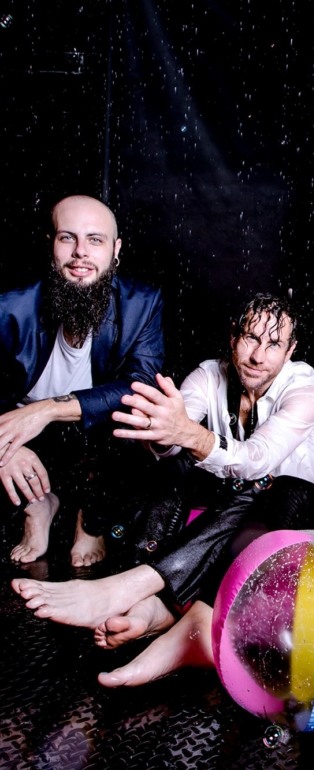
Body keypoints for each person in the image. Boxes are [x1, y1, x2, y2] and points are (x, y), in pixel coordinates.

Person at [11, 293, 314, 673]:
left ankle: (132, 588)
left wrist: (187, 434)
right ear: (233, 336)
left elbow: (255, 460)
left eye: (274, 344)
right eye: (250, 338)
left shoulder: (306, 389)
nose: (258, 356)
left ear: (290, 350)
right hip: (231, 502)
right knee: (168, 463)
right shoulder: (210, 374)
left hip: (291, 511)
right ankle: (149, 604)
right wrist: (162, 434)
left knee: (261, 482)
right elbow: (172, 440)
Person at [0, 195, 164, 567]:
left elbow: (141, 385)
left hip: (96, 442)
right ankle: (37, 507)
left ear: (115, 250)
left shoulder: (142, 303)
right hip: (23, 437)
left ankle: (90, 521)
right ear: (51, 244)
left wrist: (45, 410)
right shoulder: (9, 305)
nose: (80, 253)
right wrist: (4, 446)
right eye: (67, 238)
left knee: (135, 422)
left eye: (95, 239)